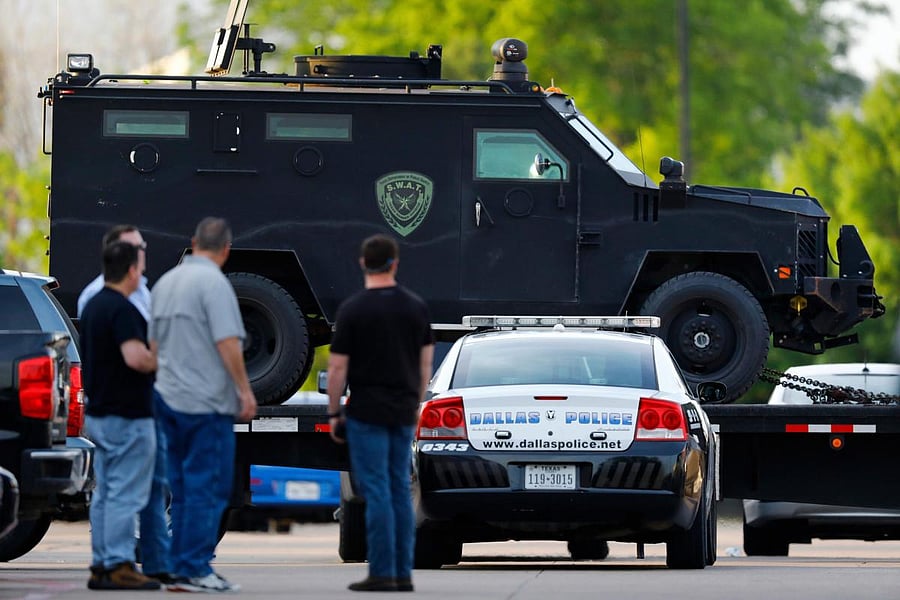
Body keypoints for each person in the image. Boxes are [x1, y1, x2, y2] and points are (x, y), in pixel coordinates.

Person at [149, 217, 257, 593]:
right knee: (208, 488)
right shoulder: (215, 284)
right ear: (226, 249)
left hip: (167, 399)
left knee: (179, 489)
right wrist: (244, 391)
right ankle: (195, 568)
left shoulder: (165, 283)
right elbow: (228, 341)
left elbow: (154, 347)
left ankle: (179, 567)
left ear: (193, 242)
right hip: (205, 404)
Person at [327, 233, 434, 593]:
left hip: (367, 412)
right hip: (403, 412)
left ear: (362, 264)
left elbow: (339, 368)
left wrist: (333, 412)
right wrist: (414, 404)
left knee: (376, 492)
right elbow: (425, 365)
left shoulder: (353, 309)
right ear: (395, 263)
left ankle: (381, 572)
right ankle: (403, 572)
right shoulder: (415, 307)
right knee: (400, 491)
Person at [77, 224, 172, 584]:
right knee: (125, 492)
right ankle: (118, 564)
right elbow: (137, 359)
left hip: (101, 410)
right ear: (131, 269)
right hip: (127, 414)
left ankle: (102, 562)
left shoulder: (94, 304)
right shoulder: (122, 309)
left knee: (105, 492)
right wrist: (160, 351)